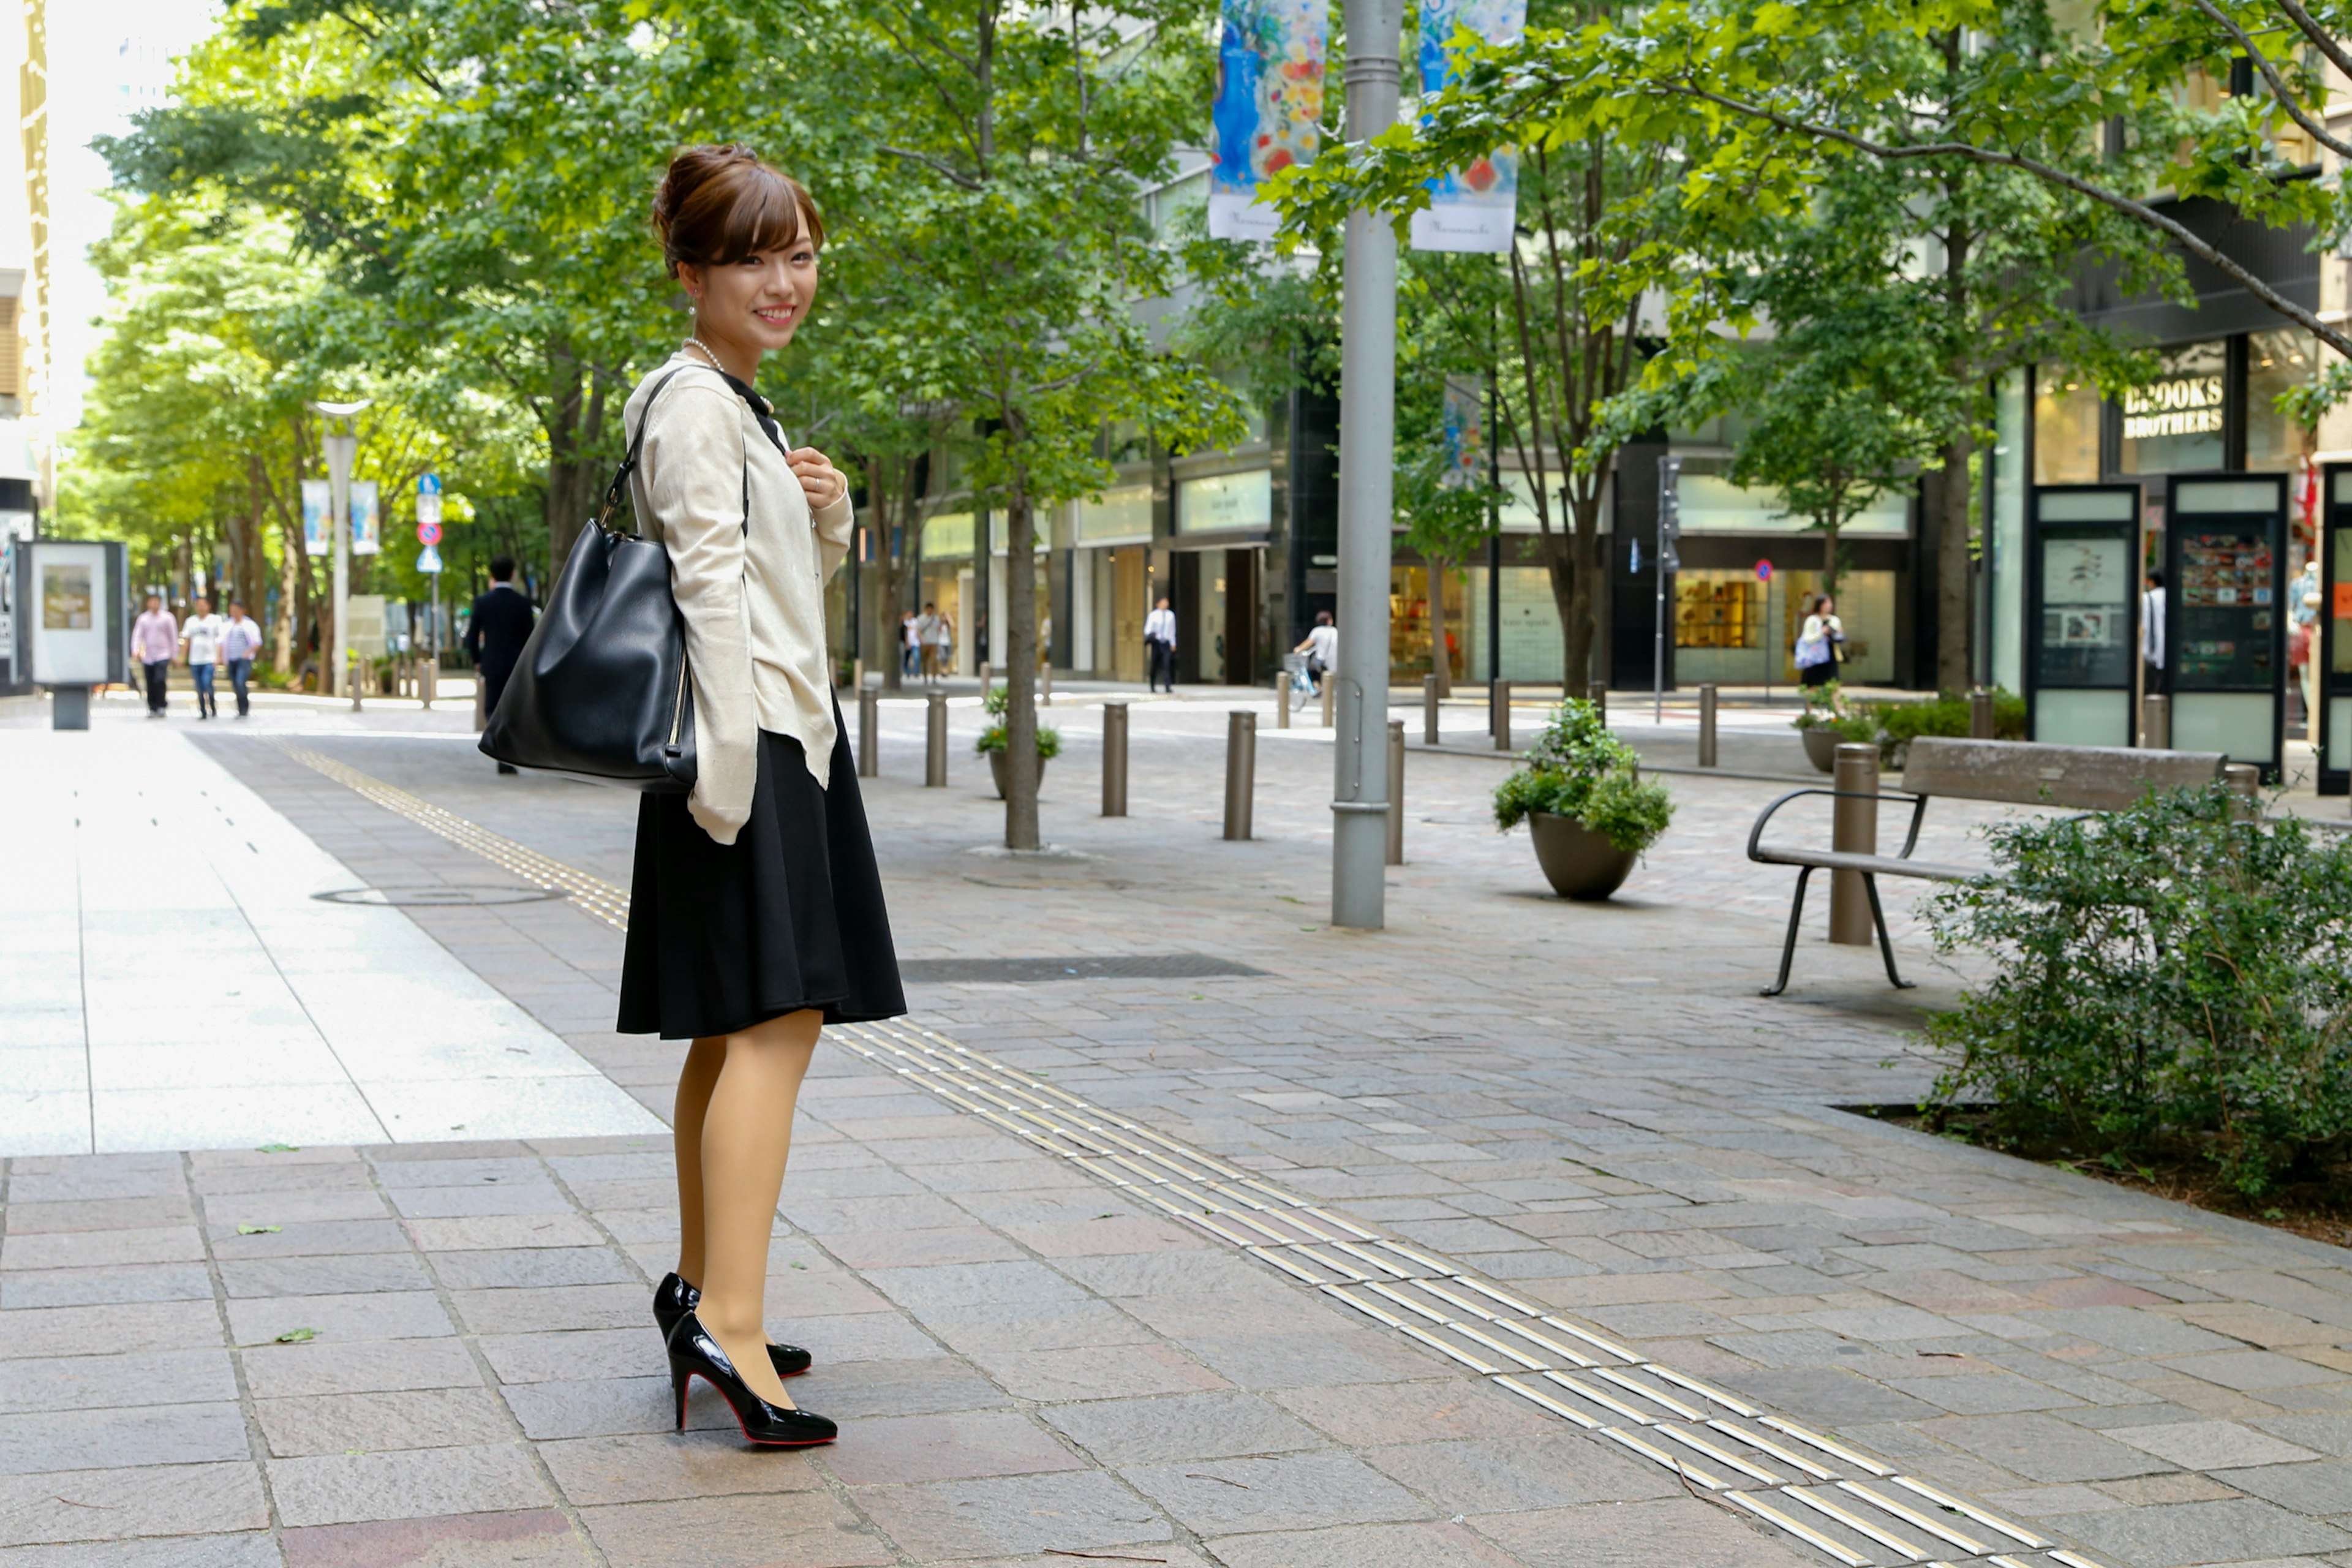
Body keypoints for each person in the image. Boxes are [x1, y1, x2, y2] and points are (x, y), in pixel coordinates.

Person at [617, 143, 902, 1449]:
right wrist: (731, 779)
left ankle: (702, 1288)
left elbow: (774, 588)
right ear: (691, 271)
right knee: (777, 1027)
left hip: (768, 741)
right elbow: (708, 596)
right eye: (753, 257)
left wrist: (827, 519)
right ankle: (728, 1317)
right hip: (750, 752)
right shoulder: (692, 400)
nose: (785, 280)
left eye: (799, 253)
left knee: (735, 1029)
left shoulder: (739, 406)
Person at [465, 557, 537, 774]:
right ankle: (510, 752)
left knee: (493, 708)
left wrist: (478, 660)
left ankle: (498, 750)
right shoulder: (523, 603)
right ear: (513, 574)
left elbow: (471, 637)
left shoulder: (483, 602)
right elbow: (531, 637)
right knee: (514, 708)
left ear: (492, 576)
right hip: (518, 665)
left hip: (492, 663)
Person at [181, 597, 227, 720]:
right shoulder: (191, 621)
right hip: (195, 660)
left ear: (209, 606)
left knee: (207, 683)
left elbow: (219, 640)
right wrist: (182, 657)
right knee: (199, 686)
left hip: (209, 659)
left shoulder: (215, 620)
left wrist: (219, 657)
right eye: (198, 605)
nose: (201, 607)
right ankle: (203, 711)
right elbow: (186, 640)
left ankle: (212, 704)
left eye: (203, 604)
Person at [132, 595, 177, 717]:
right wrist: (135, 650)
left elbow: (173, 636)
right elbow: (138, 635)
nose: (155, 604)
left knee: (160, 679)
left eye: (157, 602)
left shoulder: (167, 618)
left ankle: (161, 704)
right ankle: (152, 707)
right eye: (152, 602)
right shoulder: (143, 619)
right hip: (148, 655)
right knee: (150, 681)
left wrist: (175, 654)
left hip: (163, 654)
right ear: (148, 603)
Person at [221, 600, 265, 718]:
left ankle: (245, 707)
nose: (234, 613)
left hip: (244, 660)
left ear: (242, 610)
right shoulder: (227, 625)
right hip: (231, 659)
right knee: (235, 684)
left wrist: (248, 653)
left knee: (241, 682)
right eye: (232, 610)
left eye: (236, 610)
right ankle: (240, 708)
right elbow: (221, 642)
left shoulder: (250, 625)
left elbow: (257, 642)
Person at [1794, 593, 1844, 689]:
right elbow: (1808, 639)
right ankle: (1811, 704)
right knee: (1813, 686)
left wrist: (1839, 634)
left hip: (1831, 656)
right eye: (1826, 603)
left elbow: (1839, 638)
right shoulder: (1812, 620)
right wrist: (1822, 632)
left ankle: (1836, 704)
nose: (1829, 605)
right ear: (1820, 604)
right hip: (1814, 657)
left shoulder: (1835, 620)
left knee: (1834, 686)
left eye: (1830, 602)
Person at [1293, 609, 1337, 694]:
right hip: (1335, 661)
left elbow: (1308, 643)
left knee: (1311, 673)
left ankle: (1318, 688)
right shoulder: (1335, 631)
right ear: (1329, 620)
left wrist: (1298, 649)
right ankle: (1324, 690)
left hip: (1322, 660)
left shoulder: (1317, 631)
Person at [1144, 595, 1177, 692]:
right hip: (1157, 643)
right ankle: (1152, 685)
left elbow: (1172, 631)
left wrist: (1173, 643)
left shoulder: (1171, 615)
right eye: (1163, 602)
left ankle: (1168, 685)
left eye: (1166, 601)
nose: (1165, 603)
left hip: (1166, 642)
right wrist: (1154, 635)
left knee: (1167, 664)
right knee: (1154, 664)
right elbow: (1148, 630)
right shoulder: (1153, 615)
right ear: (1158, 604)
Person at [2141, 568, 2166, 696]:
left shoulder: (2146, 598)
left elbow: (2142, 625)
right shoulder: (2172, 597)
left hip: (2150, 653)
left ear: (2152, 582)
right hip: (2168, 654)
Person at [914, 601, 943, 683]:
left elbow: (939, 629)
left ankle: (934, 677)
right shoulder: (921, 618)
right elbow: (919, 630)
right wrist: (921, 640)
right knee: (925, 661)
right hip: (924, 643)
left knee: (934, 660)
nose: (930, 611)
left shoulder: (936, 619)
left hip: (934, 642)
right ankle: (925, 676)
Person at [900, 611, 920, 679]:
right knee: (906, 659)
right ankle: (907, 672)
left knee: (916, 657)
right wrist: (907, 643)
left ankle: (916, 673)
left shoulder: (915, 621)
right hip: (907, 643)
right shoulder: (904, 622)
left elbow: (918, 631)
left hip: (915, 643)